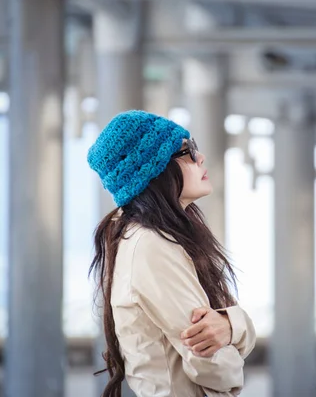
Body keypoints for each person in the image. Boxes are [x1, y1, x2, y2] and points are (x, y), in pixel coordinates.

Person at [87, 110, 256, 397]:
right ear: (153, 170)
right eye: (186, 151)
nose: (200, 158)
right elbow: (215, 367)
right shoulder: (151, 246)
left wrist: (231, 325)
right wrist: (238, 332)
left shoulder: (144, 239)